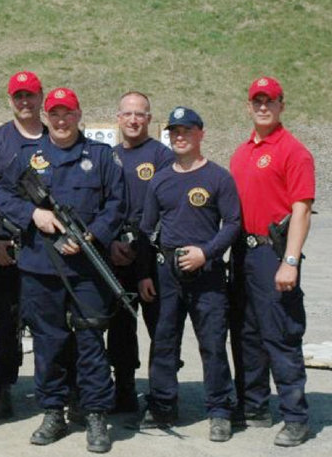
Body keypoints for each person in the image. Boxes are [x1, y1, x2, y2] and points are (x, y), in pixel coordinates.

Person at [0, 87, 124, 453]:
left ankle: (95, 413)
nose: (62, 120)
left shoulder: (99, 156)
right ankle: (53, 411)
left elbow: (117, 202)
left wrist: (91, 235)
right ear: (46, 117)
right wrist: (34, 214)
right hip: (40, 266)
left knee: (90, 341)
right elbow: (2, 195)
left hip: (87, 267)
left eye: (68, 113)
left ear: (79, 114)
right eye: (55, 114)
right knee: (49, 342)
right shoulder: (29, 156)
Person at [137, 107, 239, 442]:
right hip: (167, 273)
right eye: (174, 132)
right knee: (164, 342)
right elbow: (146, 230)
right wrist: (145, 274)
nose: (180, 137)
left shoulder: (218, 177)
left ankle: (220, 409)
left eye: (187, 131)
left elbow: (233, 224)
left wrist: (205, 253)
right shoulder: (160, 179)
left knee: (212, 344)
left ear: (200, 134)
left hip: (207, 273)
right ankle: (163, 404)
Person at [229, 77, 315, 447]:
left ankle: (295, 416)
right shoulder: (241, 152)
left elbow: (302, 210)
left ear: (282, 105)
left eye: (270, 101)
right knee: (246, 334)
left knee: (280, 334)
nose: (263, 107)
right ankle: (254, 405)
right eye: (257, 101)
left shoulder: (293, 151)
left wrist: (290, 261)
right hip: (242, 253)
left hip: (272, 253)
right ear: (248, 107)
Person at [0, 71, 45, 423]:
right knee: (5, 322)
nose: (25, 102)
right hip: (6, 249)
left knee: (54, 322)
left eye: (30, 95)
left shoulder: (57, 137)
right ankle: (2, 392)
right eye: (18, 96)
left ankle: (59, 393)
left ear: (41, 97)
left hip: (48, 252)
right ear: (10, 99)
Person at [107, 91, 173, 413]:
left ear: (149, 119)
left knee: (159, 326)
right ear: (118, 118)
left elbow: (167, 209)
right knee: (120, 327)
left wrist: (140, 248)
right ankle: (124, 390)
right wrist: (111, 243)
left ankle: (163, 395)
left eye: (140, 114)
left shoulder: (162, 156)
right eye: (128, 114)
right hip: (115, 253)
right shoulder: (109, 156)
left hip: (150, 254)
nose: (133, 120)